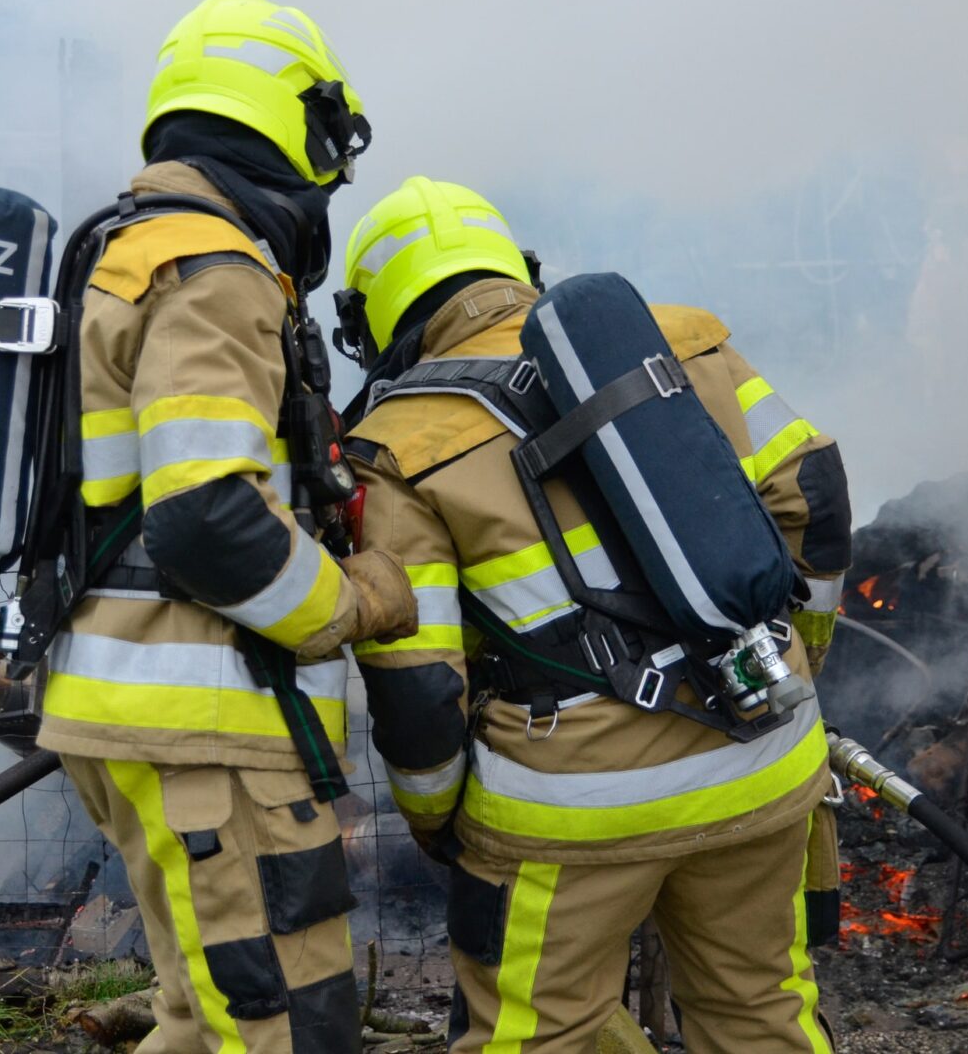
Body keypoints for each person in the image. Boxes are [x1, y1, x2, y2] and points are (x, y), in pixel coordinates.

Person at [337, 176, 851, 1053]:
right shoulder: (687, 341)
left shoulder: (397, 441)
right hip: (762, 759)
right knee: (761, 1011)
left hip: (566, 812)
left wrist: (439, 823)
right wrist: (790, 668)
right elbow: (816, 499)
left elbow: (420, 684)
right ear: (516, 266)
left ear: (376, 319)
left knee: (536, 1036)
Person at [36, 0, 419, 1053]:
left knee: (204, 1019)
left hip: (133, 712)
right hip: (204, 727)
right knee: (285, 1028)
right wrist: (352, 601)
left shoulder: (121, 251)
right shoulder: (215, 271)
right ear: (292, 128)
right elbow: (206, 518)